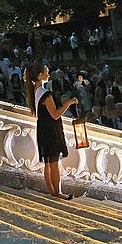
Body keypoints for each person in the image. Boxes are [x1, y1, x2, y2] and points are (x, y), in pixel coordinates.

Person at [24, 63, 78, 200]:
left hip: (42, 130)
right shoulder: (45, 94)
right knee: (53, 163)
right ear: (39, 76)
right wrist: (69, 103)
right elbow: (55, 114)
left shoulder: (35, 91)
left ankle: (53, 190)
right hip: (51, 131)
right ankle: (58, 192)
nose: (48, 75)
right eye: (46, 72)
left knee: (48, 163)